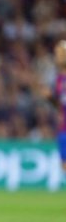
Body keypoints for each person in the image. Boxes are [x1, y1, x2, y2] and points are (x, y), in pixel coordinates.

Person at [42, 40, 66, 179]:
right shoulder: (59, 79)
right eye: (56, 53)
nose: (57, 56)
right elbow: (59, 105)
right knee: (64, 165)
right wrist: (50, 98)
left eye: (60, 53)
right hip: (63, 127)